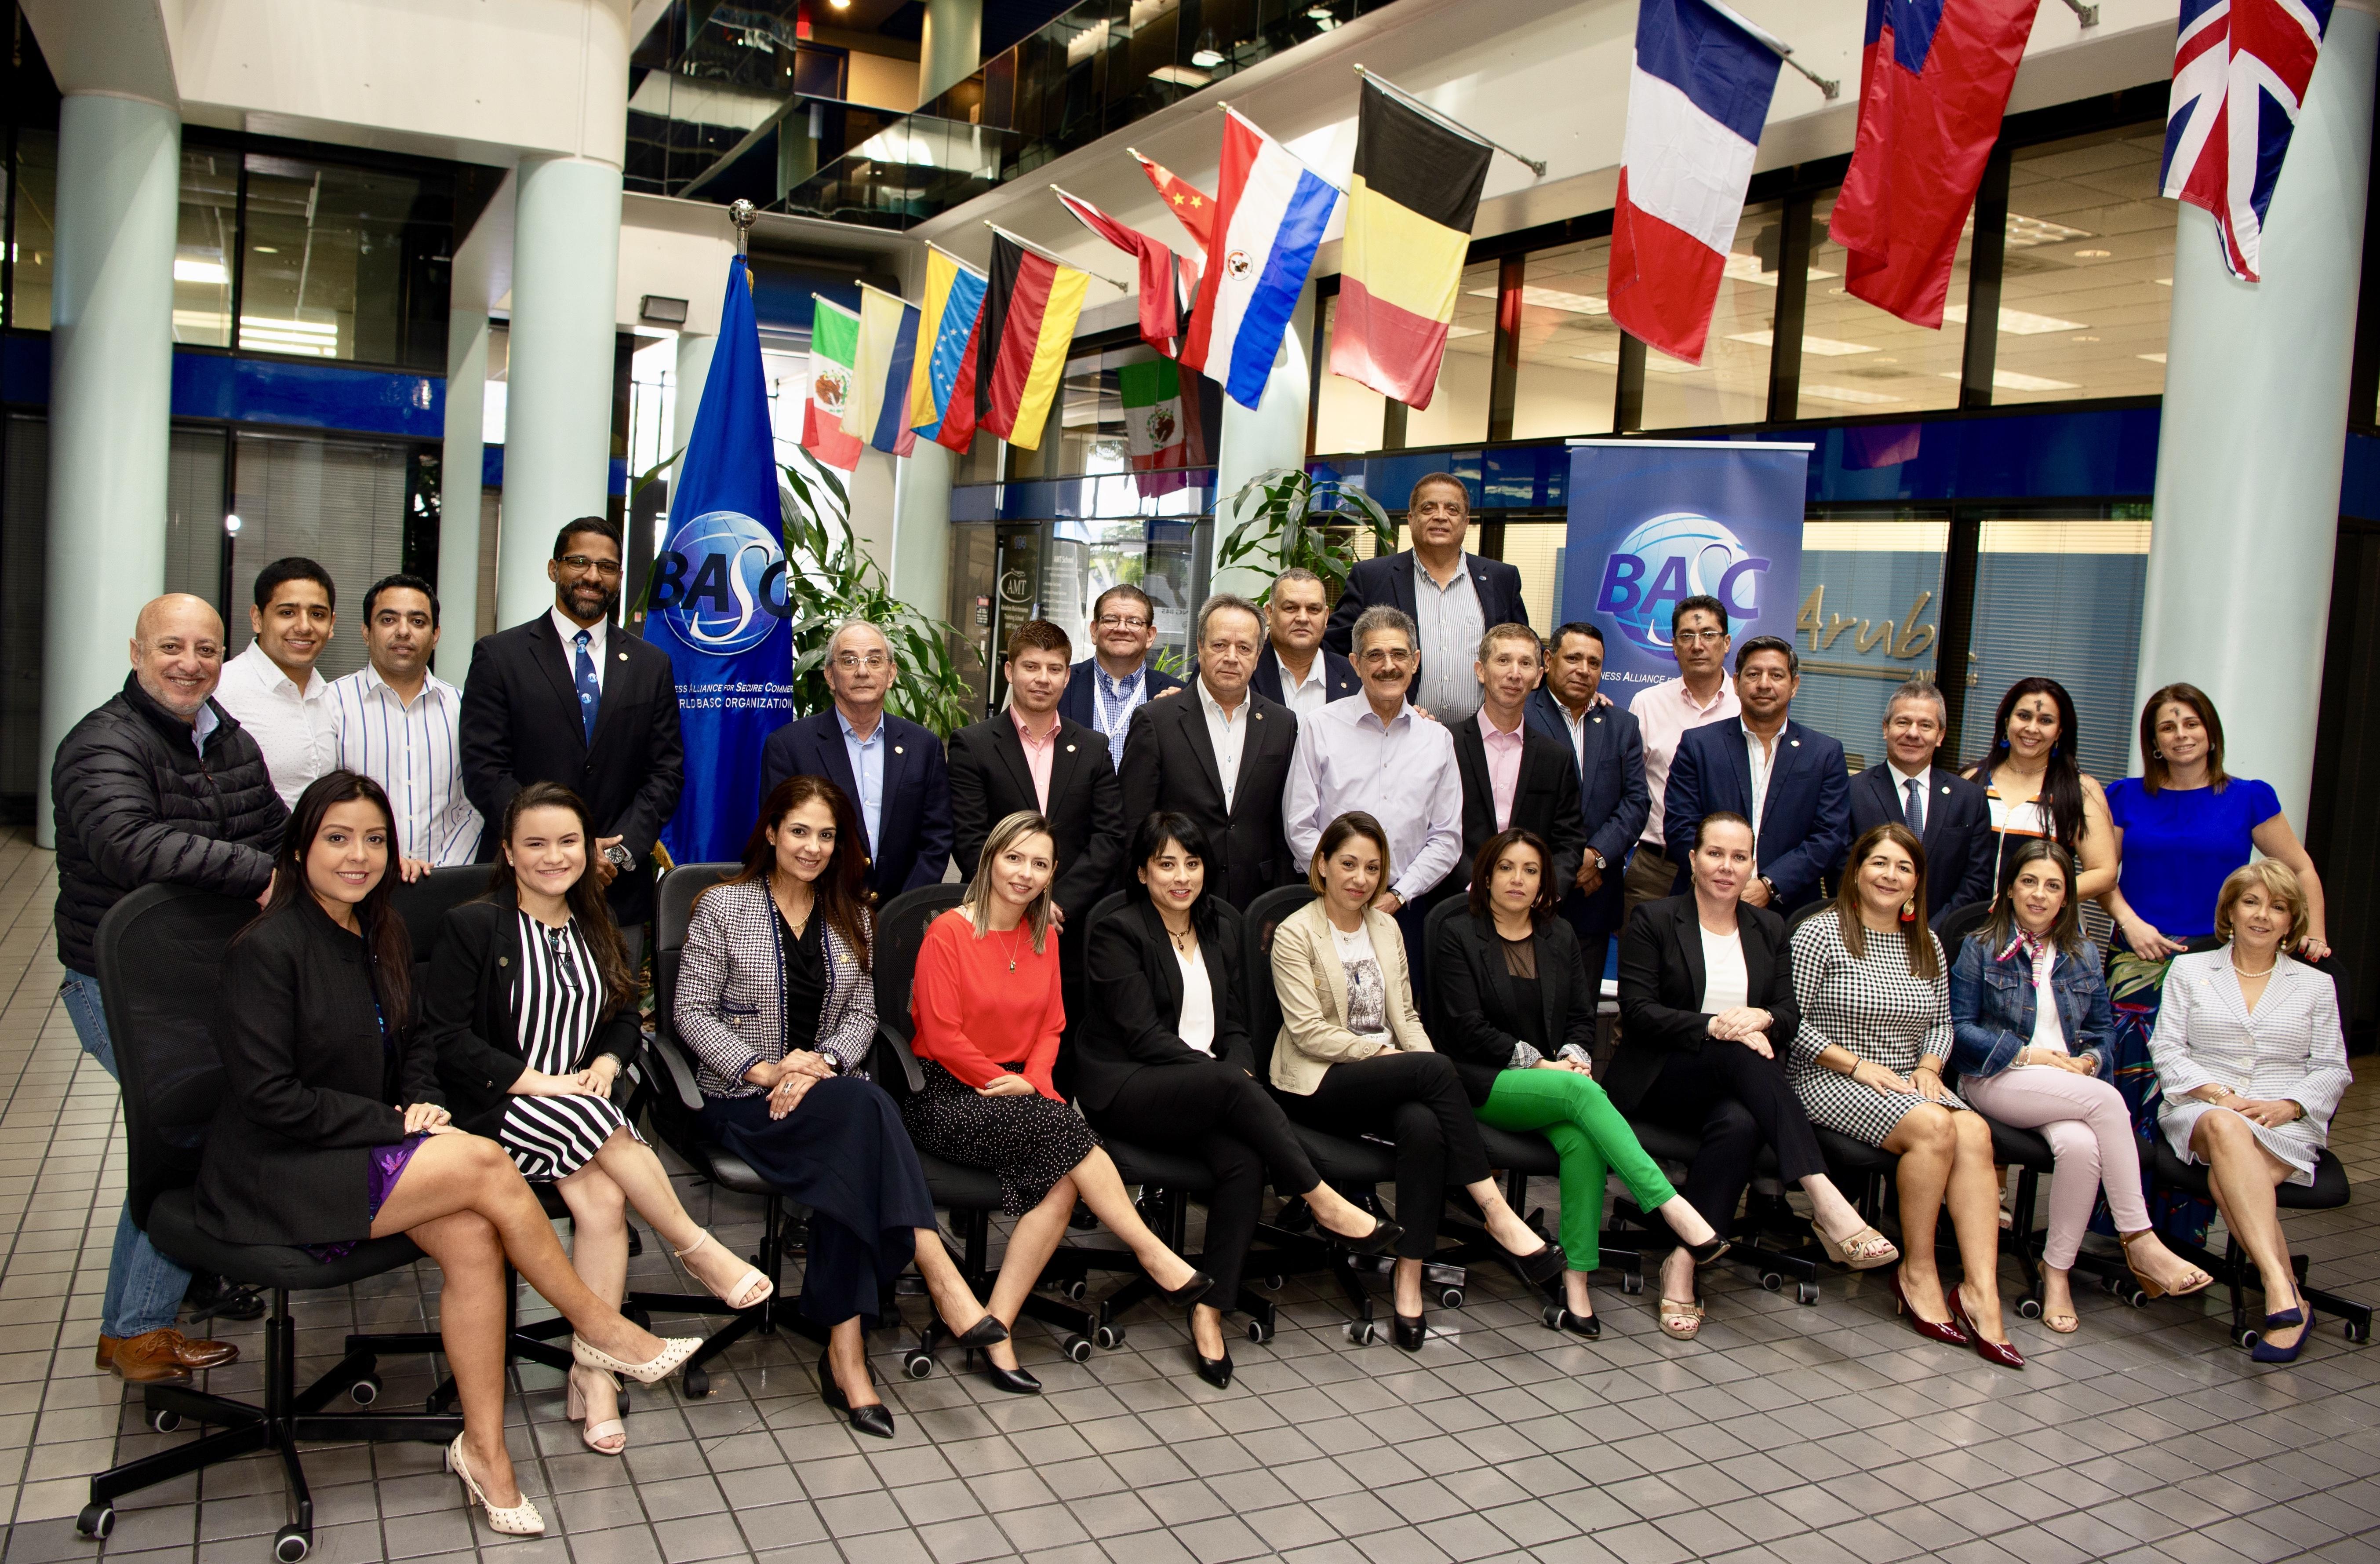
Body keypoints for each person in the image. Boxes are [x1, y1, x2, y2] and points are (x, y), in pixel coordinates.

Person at [196, 771, 701, 1538]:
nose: (359, 856)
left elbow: (414, 1046)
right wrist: (396, 1122)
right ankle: (599, 1325)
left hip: (361, 1146)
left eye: (374, 839)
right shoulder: (267, 948)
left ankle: (485, 1452)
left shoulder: (376, 932)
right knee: (486, 1165)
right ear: (300, 849)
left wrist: (420, 1102)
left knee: (471, 1239)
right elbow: (272, 1101)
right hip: (278, 1169)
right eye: (337, 838)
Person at [424, 781, 772, 1455]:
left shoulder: (594, 921)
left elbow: (620, 1012)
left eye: (567, 842)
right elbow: (445, 1038)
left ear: (588, 849)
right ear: (508, 851)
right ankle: (694, 1248)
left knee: (605, 1199)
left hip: (574, 1112)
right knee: (595, 1124)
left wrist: (610, 1064)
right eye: (536, 844)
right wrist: (537, 1083)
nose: (554, 856)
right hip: (496, 1111)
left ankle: (593, 1373)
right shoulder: (475, 925)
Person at [675, 777, 1008, 1435]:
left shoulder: (853, 913)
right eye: (799, 831)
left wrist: (820, 1063)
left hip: (823, 1095)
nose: (813, 847)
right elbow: (690, 1013)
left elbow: (862, 1013)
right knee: (866, 1113)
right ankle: (932, 1270)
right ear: (770, 832)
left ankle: (848, 1350)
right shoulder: (722, 907)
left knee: (850, 1138)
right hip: (743, 1097)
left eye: (826, 835)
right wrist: (769, 1069)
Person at [1081, 812, 1401, 1385]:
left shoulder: (1221, 926)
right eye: (1166, 864)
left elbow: (1234, 1027)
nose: (1181, 876)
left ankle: (1210, 1309)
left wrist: (1232, 1073)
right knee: (1231, 1086)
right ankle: (1321, 1197)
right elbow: (1142, 1038)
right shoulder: (1117, 929)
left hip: (1204, 1092)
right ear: (1141, 871)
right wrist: (1225, 1080)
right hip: (1128, 1085)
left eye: (1193, 862)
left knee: (1243, 1160)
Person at [54, 595, 284, 1385]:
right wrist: (266, 876)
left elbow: (274, 828)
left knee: (194, 1130)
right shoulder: (100, 744)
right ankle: (139, 1329)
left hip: (201, 978)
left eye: (206, 648)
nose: (190, 663)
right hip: (117, 986)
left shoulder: (225, 739)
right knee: (188, 1131)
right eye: (171, 647)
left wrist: (341, 853)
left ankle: (138, 1322)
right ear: (136, 651)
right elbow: (128, 843)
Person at [903, 811, 1213, 1393]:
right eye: (1014, 857)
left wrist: (1038, 1086)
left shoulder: (1043, 937)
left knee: (1065, 1174)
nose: (1024, 873)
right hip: (948, 1093)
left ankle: (998, 1327)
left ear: (1051, 876)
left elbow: (1052, 1027)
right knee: (1065, 1140)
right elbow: (942, 1037)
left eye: (1039, 864)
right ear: (990, 857)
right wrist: (1012, 1083)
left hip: (1026, 1097)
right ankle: (1151, 1251)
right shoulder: (948, 930)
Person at [1269, 812, 1568, 1350]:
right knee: (1430, 1074)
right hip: (1320, 1083)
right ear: (1322, 865)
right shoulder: (1295, 932)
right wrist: (1393, 1058)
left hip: (1390, 1077)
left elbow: (1406, 1015)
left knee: (1423, 1120)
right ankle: (1494, 1210)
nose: (1360, 878)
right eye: (1348, 864)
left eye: (1372, 868)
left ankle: (1409, 1274)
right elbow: (1309, 1032)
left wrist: (1421, 1068)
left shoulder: (1385, 927)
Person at [1433, 829, 1726, 1339]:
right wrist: (1550, 1069)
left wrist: (1572, 1055)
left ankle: (1575, 1281)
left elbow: (1578, 1016)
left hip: (1555, 1084)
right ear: (1485, 874)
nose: (1517, 879)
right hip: (1480, 1082)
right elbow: (1465, 1029)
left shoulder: (1559, 935)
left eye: (1529, 870)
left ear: (1545, 881)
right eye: (1505, 868)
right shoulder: (1458, 932)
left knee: (1584, 1139)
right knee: (1579, 1093)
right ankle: (1674, 1209)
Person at [1612, 812, 1899, 1311]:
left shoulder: (1768, 927)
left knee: (1740, 1120)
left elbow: (1788, 1014)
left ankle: (1683, 1259)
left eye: (1739, 857)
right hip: (1660, 1079)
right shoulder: (1654, 919)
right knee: (1738, 1050)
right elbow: (1638, 1013)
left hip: (1737, 1093)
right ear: (1694, 858)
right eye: (1716, 854)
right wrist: (1713, 1026)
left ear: (1752, 866)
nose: (1726, 866)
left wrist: (1761, 1016)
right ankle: (1823, 1196)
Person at [1948, 839, 2213, 1334]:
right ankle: (2139, 1236)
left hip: (2065, 1086)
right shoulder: (1979, 946)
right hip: (1996, 1077)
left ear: (2067, 898)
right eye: (2028, 882)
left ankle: (2057, 1273)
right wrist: (2029, 1053)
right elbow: (1958, 1030)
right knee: (2107, 1099)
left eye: (2053, 886)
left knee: (2080, 1143)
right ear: (2008, 889)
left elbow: (2101, 1030)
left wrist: (2089, 1058)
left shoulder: (2082, 952)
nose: (2039, 894)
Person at [1788, 824, 2020, 1368]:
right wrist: (1857, 1064)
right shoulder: (1820, 932)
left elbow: (1941, 1023)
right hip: (1828, 1075)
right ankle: (1918, 1271)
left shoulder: (1927, 941)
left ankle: (1980, 1292)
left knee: (1975, 1129)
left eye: (1904, 867)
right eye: (1879, 863)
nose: (1890, 876)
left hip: (1907, 1079)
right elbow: (1788, 1024)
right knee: (1937, 1126)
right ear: (1856, 870)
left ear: (1916, 882)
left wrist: (1928, 1064)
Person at [2149, 861, 2351, 1363]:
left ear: (2290, 920)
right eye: (2251, 902)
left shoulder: (2313, 985)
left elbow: (2332, 1066)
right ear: (2230, 911)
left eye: (2277, 906)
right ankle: (2281, 1290)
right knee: (2223, 1125)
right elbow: (2167, 1049)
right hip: (2201, 1107)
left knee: (2229, 1181)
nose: (2262, 915)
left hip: (2282, 1119)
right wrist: (2219, 1095)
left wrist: (2289, 1104)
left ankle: (2289, 1299)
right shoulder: (2190, 969)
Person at [459, 516, 684, 942]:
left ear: (619, 576)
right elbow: (484, 771)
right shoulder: (499, 656)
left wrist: (613, 853)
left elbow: (665, 774)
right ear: (553, 568)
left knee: (614, 1008)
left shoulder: (651, 665)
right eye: (579, 561)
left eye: (607, 566)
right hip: (522, 886)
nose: (592, 576)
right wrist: (560, 849)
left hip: (615, 891)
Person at [1282, 606, 1463, 989]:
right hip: (1326, 909)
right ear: (1355, 663)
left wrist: (1398, 894)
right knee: (1326, 1020)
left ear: (1415, 662)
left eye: (1399, 655)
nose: (1388, 666)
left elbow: (1446, 838)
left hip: (1404, 911)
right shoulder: (1321, 727)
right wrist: (1341, 887)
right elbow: (1300, 823)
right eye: (1375, 655)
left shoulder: (1438, 741)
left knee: (1401, 1024)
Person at [2104, 682, 2330, 962]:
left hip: (2224, 954)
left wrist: (2315, 933)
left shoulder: (2250, 798)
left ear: (2210, 733)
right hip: (2141, 950)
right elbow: (2103, 876)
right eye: (2167, 728)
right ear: (2154, 743)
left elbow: (2301, 868)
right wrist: (2130, 924)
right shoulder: (2122, 796)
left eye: (2192, 724)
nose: (2181, 735)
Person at [1119, 594, 1301, 909]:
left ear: (1258, 656)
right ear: (1200, 647)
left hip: (1255, 901)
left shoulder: (1281, 723)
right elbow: (1133, 824)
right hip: (1174, 900)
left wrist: (1277, 907)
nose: (1232, 657)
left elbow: (1282, 825)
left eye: (1244, 648)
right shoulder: (1156, 721)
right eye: (1219, 645)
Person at [949, 619, 1123, 939]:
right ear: (1009, 671)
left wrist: (1058, 903)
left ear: (1067, 676)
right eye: (1031, 666)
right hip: (993, 919)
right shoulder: (972, 745)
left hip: (1071, 922)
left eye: (1055, 669)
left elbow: (1108, 838)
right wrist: (1025, 902)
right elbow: (971, 839)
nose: (1043, 679)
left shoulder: (1093, 747)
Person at [761, 619, 953, 905]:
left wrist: (904, 909)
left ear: (891, 674)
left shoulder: (924, 746)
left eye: (874, 660)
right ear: (829, 675)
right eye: (849, 660)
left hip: (899, 918)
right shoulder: (789, 746)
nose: (862, 671)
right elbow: (779, 836)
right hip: (818, 914)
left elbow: (937, 838)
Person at [1324, 474, 1527, 726]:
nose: (1440, 516)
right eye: (1428, 508)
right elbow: (1335, 650)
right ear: (1411, 520)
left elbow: (1526, 652)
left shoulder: (1501, 578)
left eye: (1452, 510)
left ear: (1466, 522)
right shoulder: (1372, 577)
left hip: (1481, 736)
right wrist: (1381, 694)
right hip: (1398, 729)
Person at [1664, 636, 1849, 912]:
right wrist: (1724, 884)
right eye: (1754, 674)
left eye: (1776, 675)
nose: (1764, 684)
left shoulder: (1825, 754)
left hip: (1789, 909)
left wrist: (1771, 885)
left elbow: (1829, 836)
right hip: (1704, 903)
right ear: (1737, 684)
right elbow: (1680, 826)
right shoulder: (1699, 745)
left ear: (1794, 686)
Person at [328, 572, 484, 868]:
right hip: (355, 879)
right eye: (388, 620)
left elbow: (475, 803)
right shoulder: (330, 703)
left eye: (418, 621)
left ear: (436, 634)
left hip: (443, 883)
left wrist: (442, 874)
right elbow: (321, 807)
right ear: (366, 631)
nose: (403, 631)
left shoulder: (465, 708)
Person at [1525, 622, 1647, 982]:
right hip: (1533, 891)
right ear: (1548, 660)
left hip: (1596, 895)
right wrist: (1564, 866)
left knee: (1581, 1014)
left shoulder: (1621, 725)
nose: (1584, 669)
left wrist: (1596, 856)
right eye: (1574, 658)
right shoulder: (1522, 715)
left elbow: (1637, 801)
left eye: (1594, 663)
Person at [1445, 624, 1586, 906]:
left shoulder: (1556, 758)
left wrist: (1548, 890)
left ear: (1538, 677)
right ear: (1481, 671)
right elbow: (1433, 830)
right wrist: (1476, 885)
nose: (1514, 674)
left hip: (1531, 911)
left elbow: (1569, 840)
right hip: (1458, 902)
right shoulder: (1446, 745)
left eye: (1525, 663)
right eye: (1503, 660)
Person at [1625, 594, 1739, 925]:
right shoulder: (1647, 703)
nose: (1697, 645)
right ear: (1674, 646)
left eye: (1708, 634)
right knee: (1642, 968)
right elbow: (1628, 786)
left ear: (1727, 642)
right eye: (1686, 636)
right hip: (1654, 869)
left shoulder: (1747, 708)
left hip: (1727, 873)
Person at [1847, 680, 1993, 932]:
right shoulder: (1852, 791)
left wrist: (1932, 932)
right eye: (1903, 722)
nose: (1913, 733)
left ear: (1940, 736)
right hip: (1864, 935)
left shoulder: (1969, 798)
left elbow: (1977, 880)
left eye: (1925, 725)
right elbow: (1843, 869)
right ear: (1886, 729)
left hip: (1941, 941)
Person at [1961, 677, 2117, 900]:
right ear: (2007, 722)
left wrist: (2036, 896)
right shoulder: (1973, 779)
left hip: (2045, 929)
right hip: (1966, 925)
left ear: (2060, 731)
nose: (2032, 728)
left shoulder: (2080, 790)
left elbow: (2104, 873)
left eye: (2046, 721)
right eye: (2024, 716)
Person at [213, 556, 341, 809]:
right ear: (258, 619)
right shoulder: (221, 691)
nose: (304, 627)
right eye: (287, 613)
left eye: (317, 614)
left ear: (331, 624)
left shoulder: (331, 697)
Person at [1057, 583, 1183, 770]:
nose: (1122, 629)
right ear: (1094, 631)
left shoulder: (1177, 698)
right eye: (1111, 620)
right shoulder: (1061, 686)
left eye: (1134, 622)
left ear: (1150, 636)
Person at [1251, 567, 1359, 718]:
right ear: (1269, 613)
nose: (1303, 618)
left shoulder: (1356, 676)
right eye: (1291, 608)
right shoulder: (1245, 670)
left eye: (1313, 609)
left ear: (1326, 617)